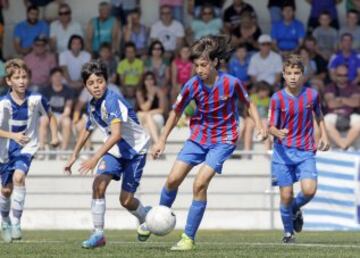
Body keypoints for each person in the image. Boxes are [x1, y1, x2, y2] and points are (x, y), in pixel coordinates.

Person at [137, 36, 267, 251]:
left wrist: (260, 126)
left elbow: (249, 104)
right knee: (172, 180)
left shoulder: (231, 82)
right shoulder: (191, 85)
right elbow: (176, 112)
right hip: (198, 137)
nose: (199, 69)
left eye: (203, 64)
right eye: (196, 65)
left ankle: (188, 238)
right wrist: (161, 140)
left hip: (224, 139)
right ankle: (155, 220)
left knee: (199, 183)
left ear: (215, 62)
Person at [64, 60, 151, 249]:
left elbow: (117, 134)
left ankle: (146, 216)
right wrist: (74, 154)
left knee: (126, 201)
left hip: (135, 151)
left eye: (100, 81)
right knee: (98, 185)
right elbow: (87, 130)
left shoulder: (112, 100)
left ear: (107, 80)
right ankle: (98, 234)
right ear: (85, 86)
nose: (96, 86)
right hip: (115, 150)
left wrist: (94, 158)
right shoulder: (93, 105)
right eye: (91, 83)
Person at [268, 54, 330, 243]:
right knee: (286, 195)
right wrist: (276, 132)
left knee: (309, 190)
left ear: (302, 74)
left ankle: (294, 209)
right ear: (284, 75)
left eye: (296, 73)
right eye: (289, 73)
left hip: (305, 151)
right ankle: (288, 234)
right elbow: (270, 125)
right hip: (282, 154)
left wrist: (325, 136)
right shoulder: (277, 98)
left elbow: (319, 116)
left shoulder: (312, 95)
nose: (293, 76)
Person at [0, 58, 59, 243]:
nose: (21, 81)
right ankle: (4, 221)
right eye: (17, 77)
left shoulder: (36, 99)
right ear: (9, 81)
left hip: (27, 148)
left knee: (19, 177)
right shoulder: (2, 103)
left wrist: (55, 136)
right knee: (6, 191)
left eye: (24, 77)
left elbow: (51, 116)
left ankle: (16, 222)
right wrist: (13, 136)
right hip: (5, 151)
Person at [39, 67, 74, 158]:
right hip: (48, 114)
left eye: (59, 76)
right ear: (51, 78)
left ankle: (63, 150)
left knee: (67, 122)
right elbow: (43, 108)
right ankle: (41, 149)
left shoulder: (68, 90)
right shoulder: (45, 90)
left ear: (62, 78)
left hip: (62, 115)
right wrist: (53, 119)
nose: (57, 78)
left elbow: (68, 108)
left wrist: (60, 118)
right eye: (55, 76)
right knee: (43, 120)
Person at [324, 65, 360, 150]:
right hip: (333, 114)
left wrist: (340, 99)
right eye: (340, 75)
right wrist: (348, 100)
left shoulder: (354, 87)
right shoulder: (329, 87)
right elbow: (331, 104)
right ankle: (344, 145)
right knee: (325, 121)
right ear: (335, 75)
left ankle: (343, 145)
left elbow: (356, 103)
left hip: (351, 114)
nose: (343, 77)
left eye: (345, 75)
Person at [136, 72, 166, 144]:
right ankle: (158, 142)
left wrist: (149, 113)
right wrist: (151, 97)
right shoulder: (140, 92)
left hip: (153, 115)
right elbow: (144, 108)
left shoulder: (159, 91)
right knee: (144, 115)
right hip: (141, 115)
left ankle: (154, 144)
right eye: (147, 79)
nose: (149, 82)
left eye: (151, 79)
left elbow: (162, 109)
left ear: (154, 81)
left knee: (148, 122)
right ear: (143, 81)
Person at [117, 42, 144, 106]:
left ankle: (137, 110)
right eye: (128, 52)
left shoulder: (140, 63)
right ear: (125, 53)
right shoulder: (121, 64)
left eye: (132, 52)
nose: (130, 54)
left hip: (136, 86)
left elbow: (141, 79)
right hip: (126, 86)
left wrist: (135, 88)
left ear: (135, 53)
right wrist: (126, 89)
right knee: (119, 91)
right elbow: (121, 81)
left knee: (139, 92)